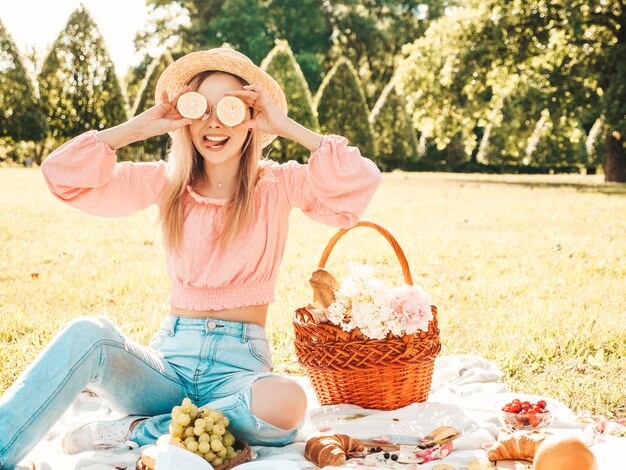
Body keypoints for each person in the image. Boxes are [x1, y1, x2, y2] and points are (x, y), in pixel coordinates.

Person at [0, 47, 381, 468]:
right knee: (86, 332)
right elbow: (61, 175)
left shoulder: (279, 184)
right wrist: (142, 126)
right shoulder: (167, 183)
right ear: (184, 115)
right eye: (200, 109)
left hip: (240, 371)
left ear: (252, 117)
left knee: (287, 400)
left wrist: (284, 126)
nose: (214, 122)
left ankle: (139, 430)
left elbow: (359, 185)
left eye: (230, 109)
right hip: (168, 366)